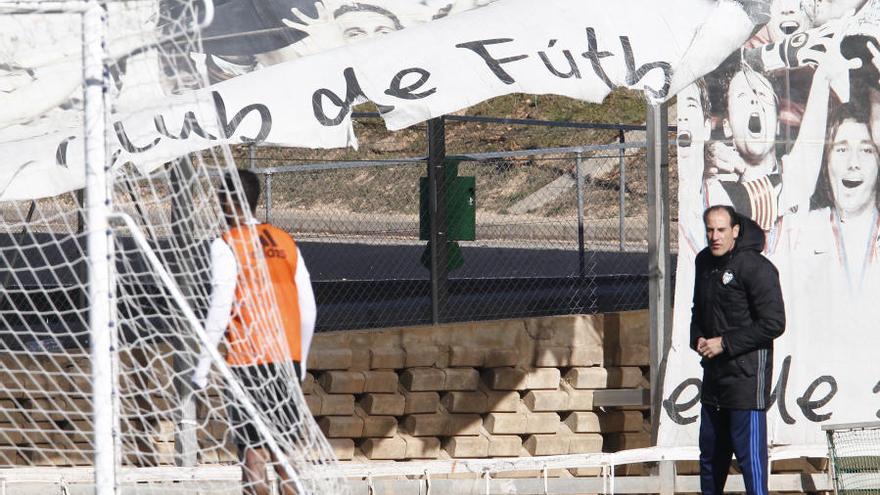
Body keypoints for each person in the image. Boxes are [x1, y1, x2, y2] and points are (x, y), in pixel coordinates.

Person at [191, 169, 317, 495]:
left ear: (228, 202)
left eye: (220, 200)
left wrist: (202, 369)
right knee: (284, 453)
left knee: (253, 452)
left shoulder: (226, 245)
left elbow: (219, 308)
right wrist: (299, 361)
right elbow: (309, 308)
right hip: (285, 361)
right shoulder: (285, 241)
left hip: (249, 362)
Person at [691, 205, 785, 495]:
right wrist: (698, 339)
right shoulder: (704, 261)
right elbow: (698, 311)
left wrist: (725, 343)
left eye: (721, 230)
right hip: (714, 381)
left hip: (745, 381)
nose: (714, 236)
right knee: (710, 459)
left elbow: (774, 323)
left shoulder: (756, 267)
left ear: (735, 231)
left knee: (750, 462)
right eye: (710, 230)